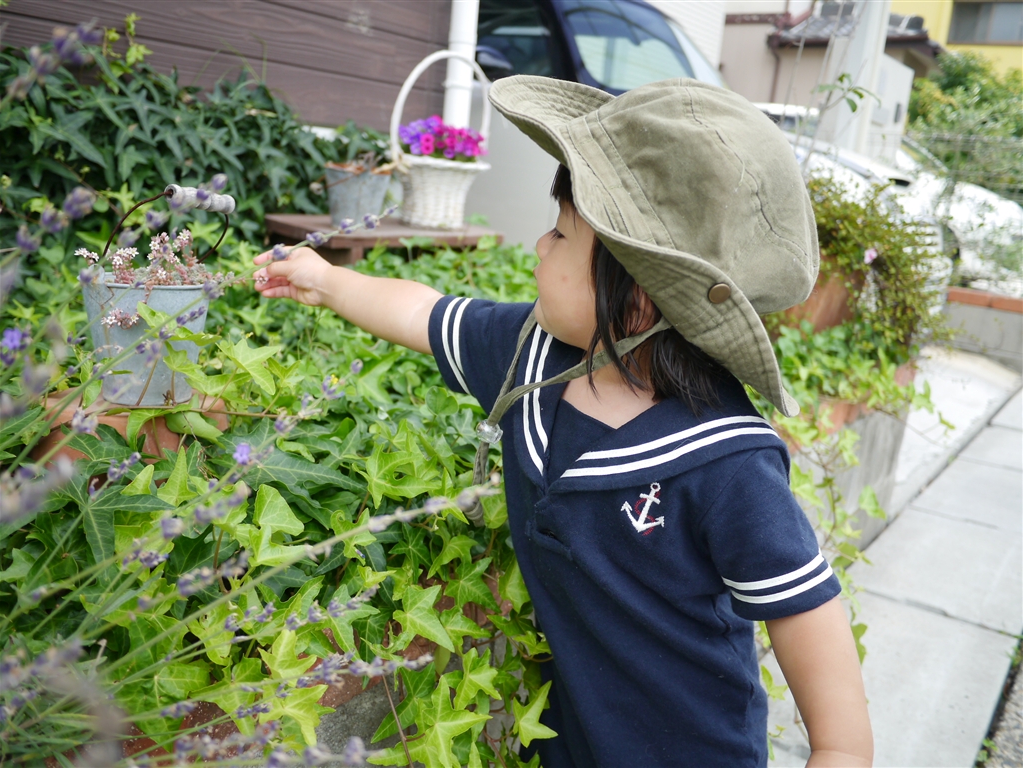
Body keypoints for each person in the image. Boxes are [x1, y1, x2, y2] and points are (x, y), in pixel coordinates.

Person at [253, 76, 872, 768]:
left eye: (560, 233)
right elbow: (426, 313)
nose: (539, 247)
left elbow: (807, 618)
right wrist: (327, 280)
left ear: (637, 298)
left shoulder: (726, 462)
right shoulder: (533, 357)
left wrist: (839, 751)